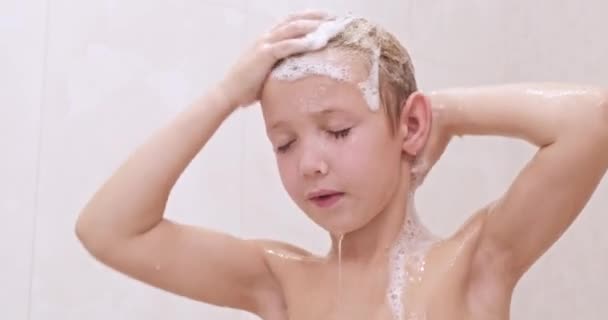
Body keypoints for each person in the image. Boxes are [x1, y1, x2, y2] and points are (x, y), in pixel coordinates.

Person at [75, 11, 608, 320]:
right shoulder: (280, 282)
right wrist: (224, 95)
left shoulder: (474, 265)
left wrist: (441, 110)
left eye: (337, 131)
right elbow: (109, 230)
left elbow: (594, 119)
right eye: (283, 143)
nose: (309, 164)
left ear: (411, 127)